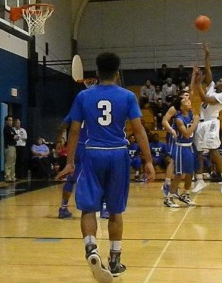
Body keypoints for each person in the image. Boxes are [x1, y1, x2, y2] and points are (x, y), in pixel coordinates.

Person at [56, 52, 155, 281]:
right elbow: (139, 130)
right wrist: (148, 160)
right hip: (118, 154)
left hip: (92, 154)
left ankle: (91, 248)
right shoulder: (128, 96)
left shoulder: (84, 96)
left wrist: (70, 161)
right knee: (115, 211)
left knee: (88, 208)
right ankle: (115, 260)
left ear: (97, 73)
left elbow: (74, 130)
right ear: (117, 73)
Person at [192, 45, 222, 194]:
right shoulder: (212, 86)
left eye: (221, 81)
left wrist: (197, 84)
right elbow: (208, 70)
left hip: (212, 123)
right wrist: (207, 55)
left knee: (214, 151)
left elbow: (204, 98)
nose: (218, 81)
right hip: (202, 123)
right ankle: (200, 179)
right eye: (219, 80)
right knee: (199, 152)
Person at [164, 96, 200, 208]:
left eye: (189, 100)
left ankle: (185, 194)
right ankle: (169, 198)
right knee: (179, 174)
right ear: (181, 106)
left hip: (189, 146)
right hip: (180, 147)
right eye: (185, 101)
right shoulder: (179, 119)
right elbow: (187, 134)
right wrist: (195, 122)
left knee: (190, 173)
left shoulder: (190, 113)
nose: (189, 101)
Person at [3, 115, 19, 183]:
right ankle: (7, 176)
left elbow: (16, 136)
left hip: (13, 146)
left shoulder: (12, 129)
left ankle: (12, 176)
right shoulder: (6, 128)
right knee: (8, 162)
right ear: (6, 121)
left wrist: (15, 136)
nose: (11, 122)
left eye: (11, 120)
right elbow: (12, 136)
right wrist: (14, 136)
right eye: (9, 120)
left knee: (13, 162)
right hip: (9, 146)